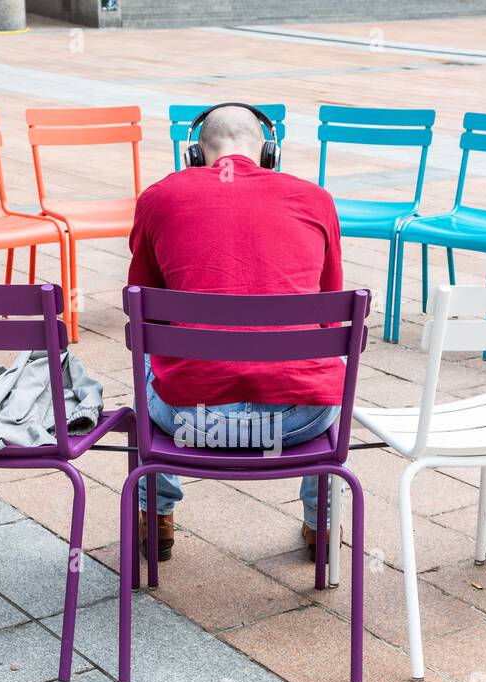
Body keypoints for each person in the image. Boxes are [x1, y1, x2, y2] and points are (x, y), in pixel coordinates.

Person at [127, 104, 344, 562]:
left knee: (147, 351)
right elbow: (329, 313)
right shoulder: (316, 199)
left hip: (189, 421)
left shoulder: (158, 198)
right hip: (296, 421)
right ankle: (321, 525)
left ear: (192, 153)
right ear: (270, 153)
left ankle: (156, 518)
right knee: (331, 355)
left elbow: (144, 306)